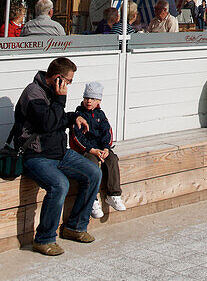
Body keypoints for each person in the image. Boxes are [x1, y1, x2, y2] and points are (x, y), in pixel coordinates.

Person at [14, 57, 101, 255]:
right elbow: (46, 123)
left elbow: (58, 118)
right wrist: (60, 99)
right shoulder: (33, 93)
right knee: (59, 184)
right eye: (68, 81)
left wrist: (73, 117)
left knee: (93, 173)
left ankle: (75, 227)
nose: (69, 86)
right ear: (58, 78)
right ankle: (44, 239)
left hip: (59, 153)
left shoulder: (52, 91)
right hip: (36, 156)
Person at [69, 81, 126, 216]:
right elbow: (77, 137)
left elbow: (107, 132)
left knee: (112, 159)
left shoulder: (101, 115)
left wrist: (106, 148)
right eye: (87, 98)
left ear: (98, 100)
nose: (89, 101)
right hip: (86, 150)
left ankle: (113, 195)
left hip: (100, 148)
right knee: (92, 165)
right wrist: (91, 150)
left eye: (93, 99)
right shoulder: (78, 114)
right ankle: (92, 199)